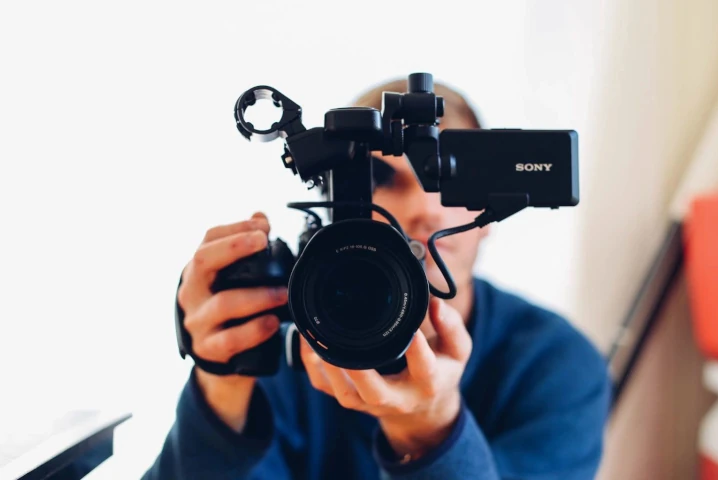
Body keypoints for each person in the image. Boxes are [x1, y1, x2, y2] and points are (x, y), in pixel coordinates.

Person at [142, 78, 612, 479]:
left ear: (489, 214)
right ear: (335, 202)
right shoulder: (275, 339)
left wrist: (431, 432)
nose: (422, 208)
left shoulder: (556, 364)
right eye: (384, 181)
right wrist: (221, 383)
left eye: (446, 178)